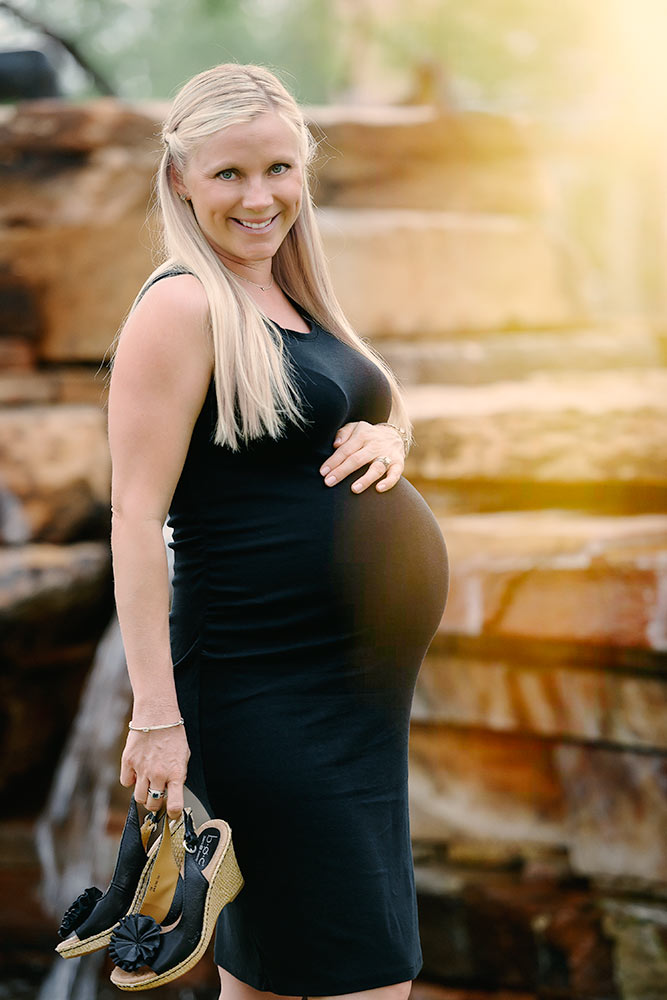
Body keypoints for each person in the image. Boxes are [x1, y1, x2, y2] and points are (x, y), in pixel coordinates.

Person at [107, 63, 449, 1000]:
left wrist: (390, 435)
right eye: (227, 175)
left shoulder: (293, 295)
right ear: (180, 178)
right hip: (263, 696)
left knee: (274, 981)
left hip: (355, 706)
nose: (259, 197)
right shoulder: (181, 306)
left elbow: (361, 400)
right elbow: (135, 517)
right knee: (361, 979)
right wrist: (156, 718)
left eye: (278, 169)